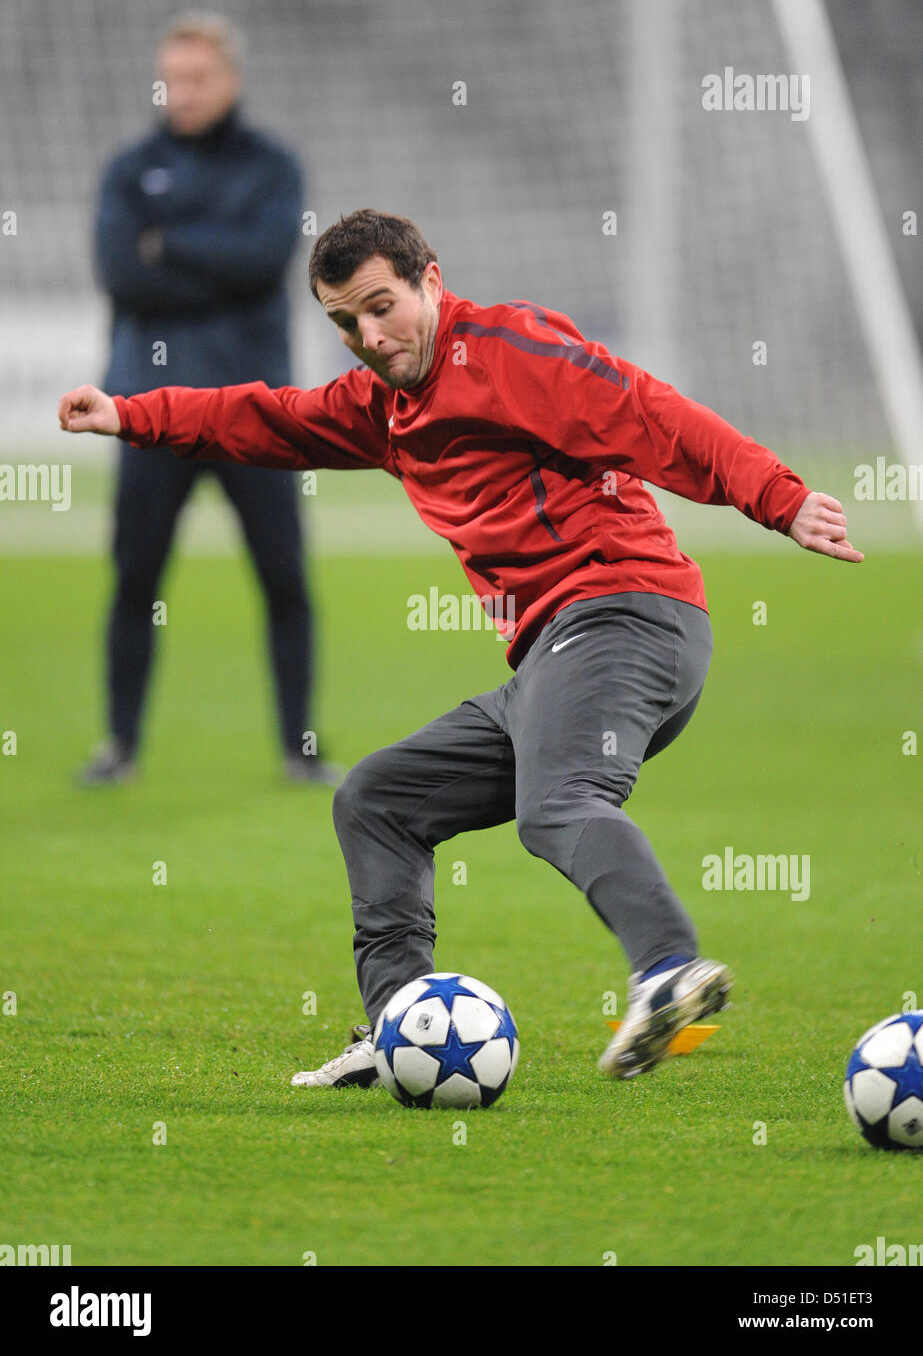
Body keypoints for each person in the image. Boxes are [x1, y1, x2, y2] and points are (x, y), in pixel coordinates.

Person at [58, 208, 863, 1084]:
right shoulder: (384, 407)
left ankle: (668, 967)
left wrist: (777, 498)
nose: (367, 337)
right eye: (343, 323)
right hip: (556, 652)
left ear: (429, 281)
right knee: (377, 800)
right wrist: (130, 415)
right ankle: (400, 1022)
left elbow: (649, 415)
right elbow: (273, 418)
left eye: (380, 307)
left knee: (558, 804)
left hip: (626, 614)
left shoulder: (512, 351)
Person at [80, 11, 339, 787]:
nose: (182, 93)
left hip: (254, 413)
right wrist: (200, 258)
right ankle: (120, 746)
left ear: (230, 80)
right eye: (172, 78)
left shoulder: (272, 166)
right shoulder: (130, 168)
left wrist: (171, 243)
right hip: (148, 412)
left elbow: (264, 261)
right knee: (135, 579)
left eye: (197, 78)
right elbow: (122, 274)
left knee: (284, 579)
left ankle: (298, 749)